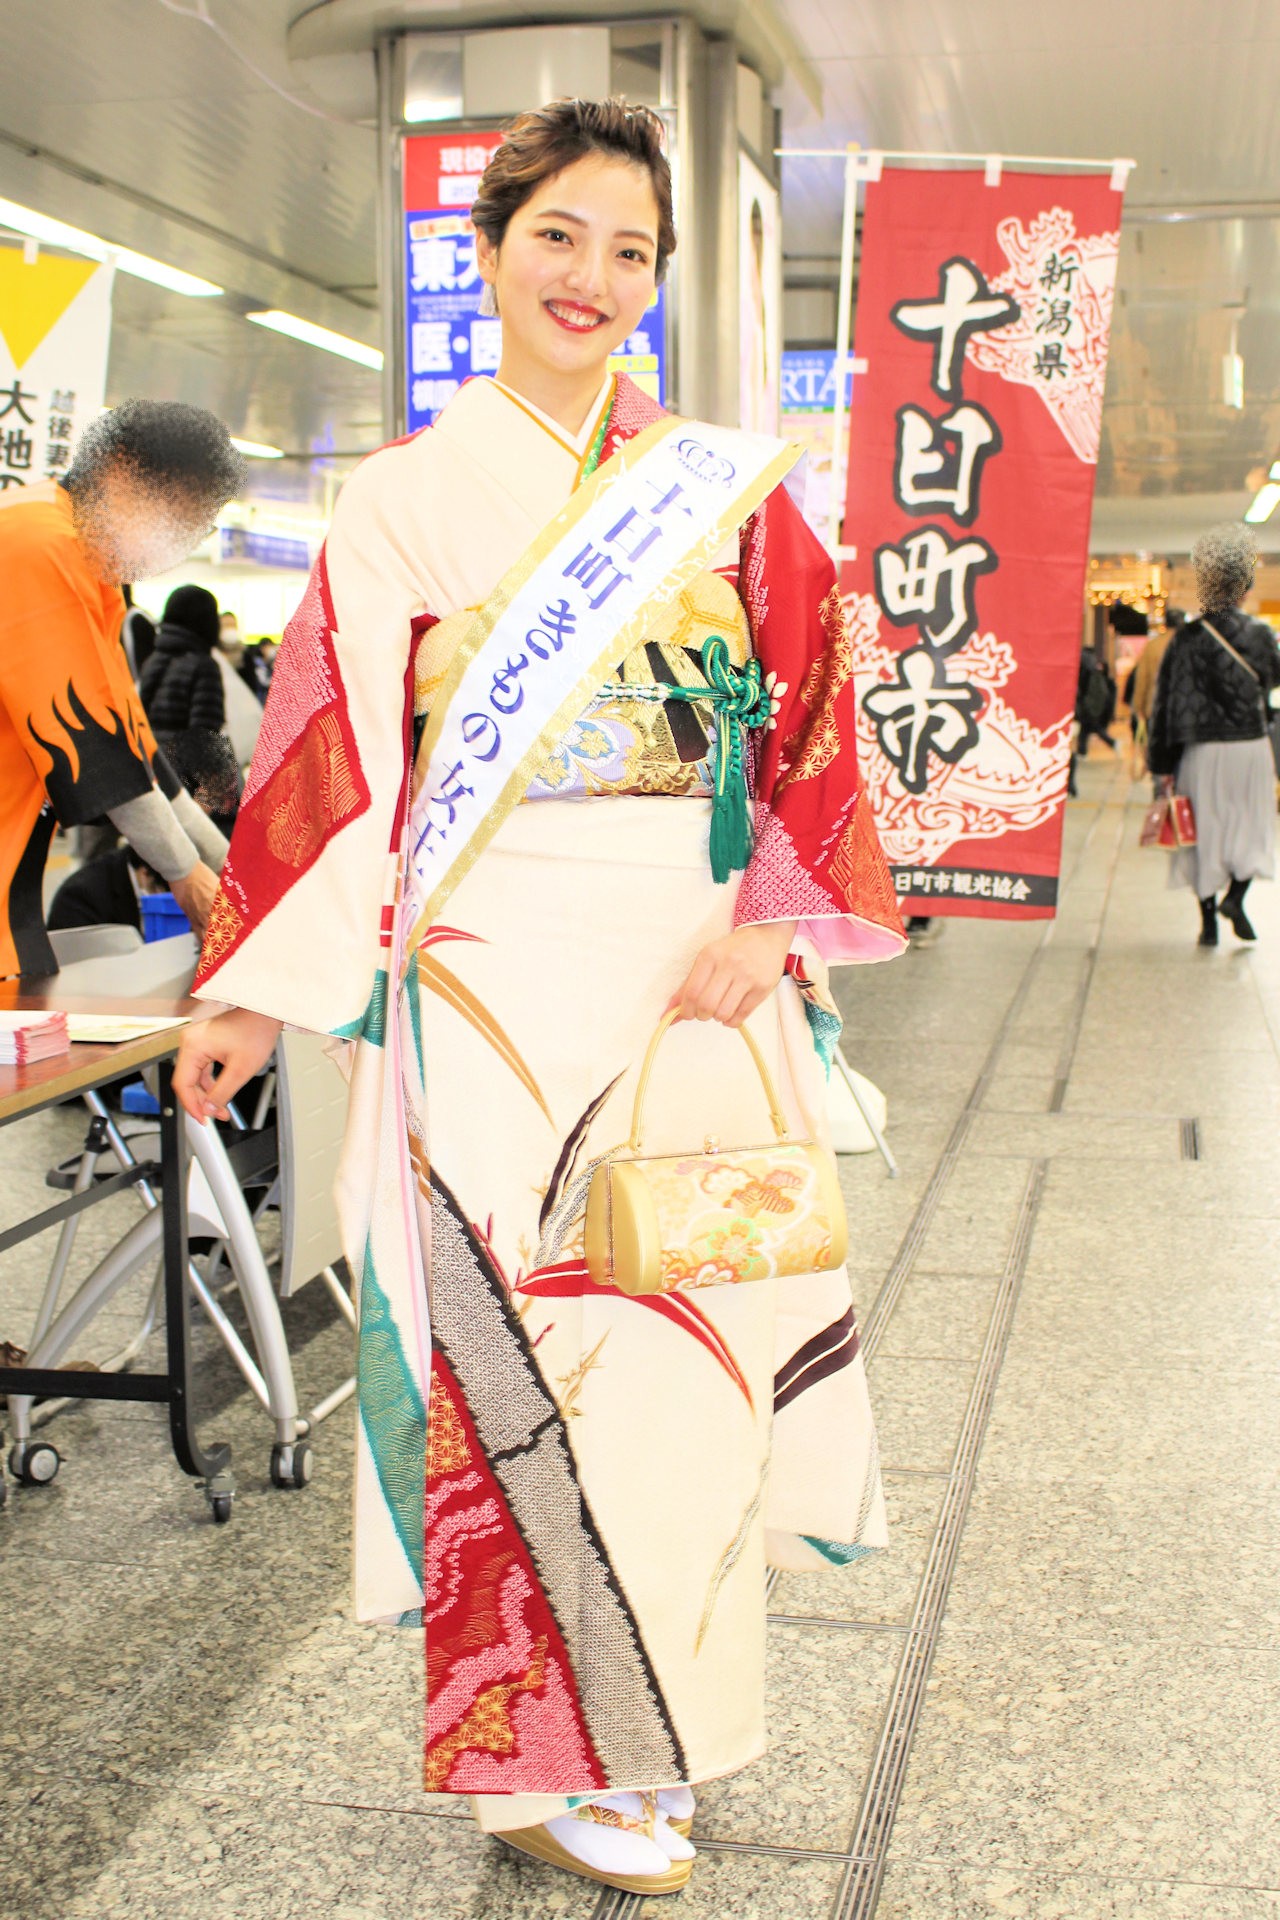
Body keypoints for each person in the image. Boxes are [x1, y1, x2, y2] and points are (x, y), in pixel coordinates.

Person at [174, 98, 904, 1898]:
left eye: (631, 251)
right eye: (558, 237)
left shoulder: (726, 490)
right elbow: (329, 769)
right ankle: (528, 1747)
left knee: (685, 1347)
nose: (593, 278)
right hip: (490, 975)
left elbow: (814, 724)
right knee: (520, 1347)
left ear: (658, 281)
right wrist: (255, 1000)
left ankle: (668, 1730)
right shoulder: (399, 501)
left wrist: (779, 926)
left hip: (692, 972)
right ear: (489, 254)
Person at [0, 398, 245, 976]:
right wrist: (189, 880)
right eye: (177, 519)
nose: (176, 545)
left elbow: (138, 751)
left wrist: (227, 870)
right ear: (119, 475)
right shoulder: (38, 544)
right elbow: (88, 740)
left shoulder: (84, 562)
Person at [1148, 525, 1280, 946]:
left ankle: (1207, 924)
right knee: (1251, 825)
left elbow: (1165, 706)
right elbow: (1274, 679)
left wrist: (1162, 766)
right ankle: (1236, 899)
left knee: (1203, 831)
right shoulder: (1259, 634)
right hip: (1249, 746)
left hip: (1200, 750)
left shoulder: (1184, 640)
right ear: (1244, 586)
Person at [139, 584, 227, 737]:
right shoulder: (203, 666)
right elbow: (205, 735)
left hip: (152, 756)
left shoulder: (153, 660)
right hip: (184, 758)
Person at [1130, 605, 1184, 775]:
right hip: (1183, 709)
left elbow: (1142, 678)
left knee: (1159, 751)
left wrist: (1138, 706)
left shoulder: (1153, 645)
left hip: (1155, 706)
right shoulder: (1189, 645)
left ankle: (1160, 788)